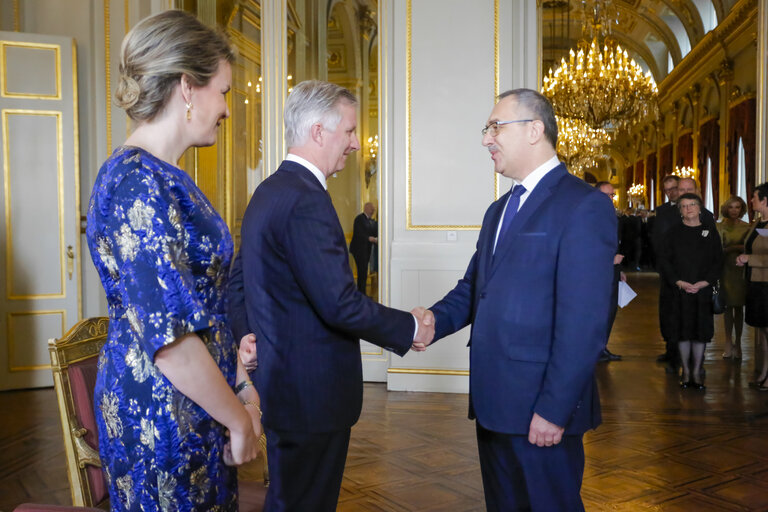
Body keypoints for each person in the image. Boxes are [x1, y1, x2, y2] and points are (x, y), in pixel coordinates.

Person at [228, 80, 434, 511]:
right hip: (312, 396)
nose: (357, 144)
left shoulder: (267, 192)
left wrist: (246, 333)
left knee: (290, 498)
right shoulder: (306, 199)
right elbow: (339, 303)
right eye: (350, 131)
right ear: (319, 131)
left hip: (280, 386)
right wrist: (410, 327)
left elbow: (237, 283)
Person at [85, 10, 261, 510]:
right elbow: (171, 341)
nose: (227, 108)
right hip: (161, 415)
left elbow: (203, 311)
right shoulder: (137, 182)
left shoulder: (162, 177)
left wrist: (242, 386)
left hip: (192, 403)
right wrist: (238, 418)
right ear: (188, 86)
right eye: (223, 91)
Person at [417, 89, 616, 511]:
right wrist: (430, 321)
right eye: (486, 129)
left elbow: (585, 322)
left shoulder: (583, 206)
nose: (486, 139)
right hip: (494, 403)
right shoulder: (498, 210)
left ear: (534, 130)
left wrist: (554, 409)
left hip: (542, 410)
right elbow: (475, 288)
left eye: (495, 127)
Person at [658, 194, 722, 390]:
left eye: (692, 205)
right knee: (683, 332)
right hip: (680, 290)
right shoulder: (672, 233)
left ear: (700, 208)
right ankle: (685, 371)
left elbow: (718, 260)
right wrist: (678, 281)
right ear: (680, 211)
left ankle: (697, 371)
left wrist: (705, 282)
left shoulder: (710, 231)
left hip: (702, 290)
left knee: (699, 332)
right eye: (684, 206)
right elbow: (665, 261)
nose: (688, 209)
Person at [736, 183, 768, 391]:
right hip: (756, 282)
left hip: (766, 283)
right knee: (764, 332)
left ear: (765, 200)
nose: (751, 200)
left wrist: (750, 258)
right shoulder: (759, 223)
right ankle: (764, 373)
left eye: (755, 197)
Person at [653, 175, 682, 369]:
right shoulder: (662, 210)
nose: (671, 193)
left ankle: (679, 353)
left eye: (674, 189)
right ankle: (669, 348)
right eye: (667, 190)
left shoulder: (691, 209)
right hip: (665, 268)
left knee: (680, 312)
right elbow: (656, 237)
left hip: (683, 267)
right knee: (666, 310)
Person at [717, 196, 751, 360]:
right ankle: (728, 342)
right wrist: (735, 248)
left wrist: (734, 247)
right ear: (726, 209)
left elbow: (750, 247)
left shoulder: (748, 227)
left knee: (739, 307)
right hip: (725, 269)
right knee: (727, 307)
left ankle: (738, 342)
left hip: (741, 269)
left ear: (742, 209)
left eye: (737, 207)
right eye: (731, 207)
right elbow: (718, 248)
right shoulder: (720, 226)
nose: (734, 210)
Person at [596, 181, 624, 362]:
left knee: (610, 311)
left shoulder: (613, 216)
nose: (610, 198)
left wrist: (619, 269)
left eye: (612, 195)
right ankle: (596, 349)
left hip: (613, 272)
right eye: (605, 195)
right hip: (597, 274)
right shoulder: (589, 217)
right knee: (599, 312)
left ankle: (603, 347)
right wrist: (609, 261)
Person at [349, 202, 378, 294]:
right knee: (362, 272)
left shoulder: (371, 221)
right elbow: (358, 233)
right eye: (371, 208)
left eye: (374, 209)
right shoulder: (359, 219)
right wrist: (369, 238)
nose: (373, 210)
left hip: (366, 251)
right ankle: (361, 293)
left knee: (364, 272)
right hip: (359, 250)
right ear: (366, 208)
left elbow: (374, 232)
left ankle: (362, 293)